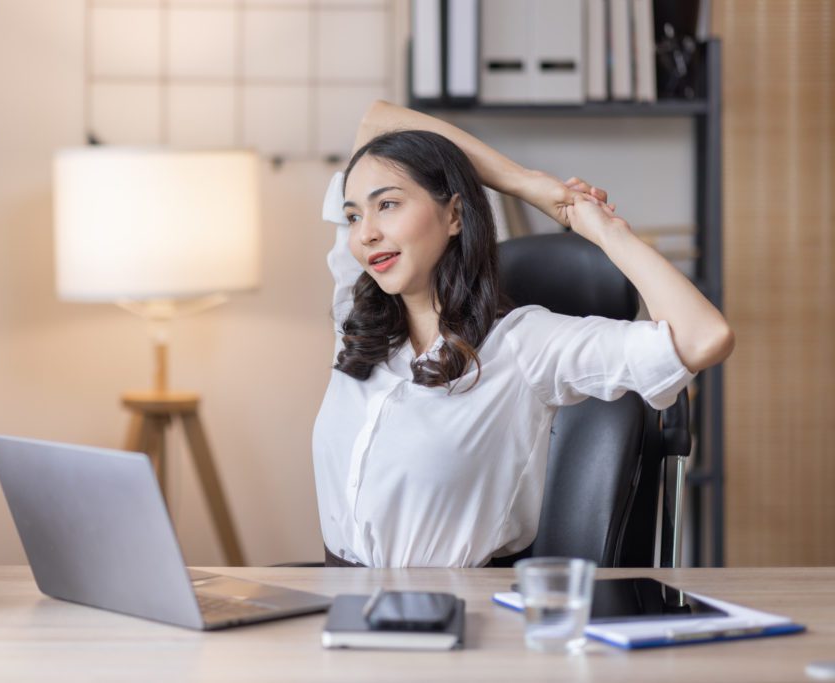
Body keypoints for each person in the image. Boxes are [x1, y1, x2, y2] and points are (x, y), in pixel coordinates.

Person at [312, 101, 734, 568]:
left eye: (387, 205)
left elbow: (704, 337)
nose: (365, 234)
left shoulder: (523, 344)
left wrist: (599, 229)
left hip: (453, 617)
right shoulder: (356, 312)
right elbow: (376, 122)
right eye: (353, 216)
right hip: (339, 607)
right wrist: (530, 184)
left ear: (455, 215)